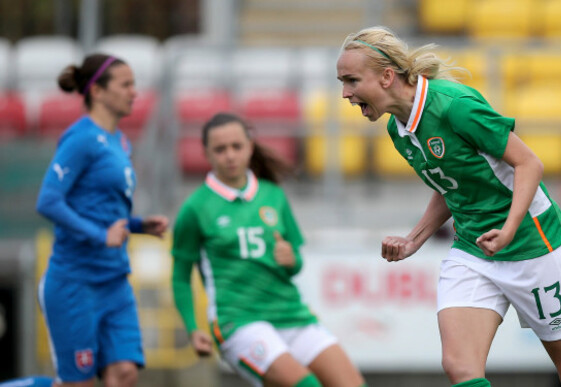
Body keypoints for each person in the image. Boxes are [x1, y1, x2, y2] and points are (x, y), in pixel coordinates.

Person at [336, 26, 561, 387]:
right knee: (460, 367)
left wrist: (509, 229)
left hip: (534, 245)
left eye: (351, 80)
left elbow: (529, 164)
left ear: (387, 77)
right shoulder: (398, 128)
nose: (345, 93)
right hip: (473, 248)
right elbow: (450, 186)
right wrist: (415, 240)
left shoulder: (455, 106)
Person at [171, 112, 365, 387]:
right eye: (220, 149)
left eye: (236, 146)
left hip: (290, 313)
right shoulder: (195, 208)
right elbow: (179, 276)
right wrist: (192, 328)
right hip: (238, 322)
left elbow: (296, 263)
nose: (230, 155)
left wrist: (291, 259)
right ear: (206, 153)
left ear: (250, 146)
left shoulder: (272, 194)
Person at [35, 53, 169, 387]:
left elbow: (103, 209)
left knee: (124, 374)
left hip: (114, 281)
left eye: (134, 84)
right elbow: (48, 200)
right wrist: (98, 235)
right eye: (126, 84)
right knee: (78, 384)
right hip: (74, 283)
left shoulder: (120, 142)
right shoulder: (80, 138)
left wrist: (138, 226)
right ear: (97, 90)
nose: (134, 92)